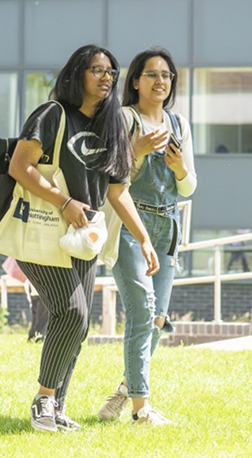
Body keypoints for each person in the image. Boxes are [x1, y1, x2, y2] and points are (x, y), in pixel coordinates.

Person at [8, 44, 160, 433]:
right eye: (98, 70)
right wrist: (64, 202)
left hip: (84, 238)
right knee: (72, 312)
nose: (106, 78)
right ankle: (43, 400)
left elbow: (117, 190)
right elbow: (20, 166)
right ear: (78, 73)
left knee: (77, 324)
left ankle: (56, 409)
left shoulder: (109, 127)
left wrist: (144, 239)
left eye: (111, 72)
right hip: (42, 229)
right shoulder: (52, 114)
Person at [97, 47, 197, 426]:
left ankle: (125, 390)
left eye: (167, 75)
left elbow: (188, 189)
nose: (161, 81)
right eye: (152, 74)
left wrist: (180, 167)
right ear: (135, 81)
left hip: (168, 226)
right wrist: (136, 152)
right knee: (142, 313)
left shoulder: (180, 124)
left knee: (157, 320)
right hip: (129, 224)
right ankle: (142, 410)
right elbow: (113, 181)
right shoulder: (125, 118)